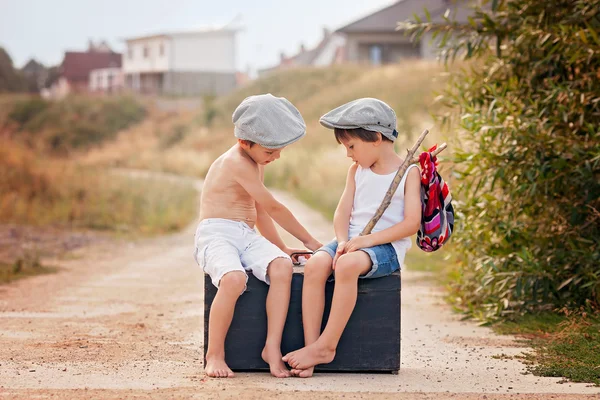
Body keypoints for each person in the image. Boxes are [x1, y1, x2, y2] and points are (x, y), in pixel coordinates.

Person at [283, 98, 421, 377]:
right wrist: (342, 240)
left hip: (385, 248)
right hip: (354, 241)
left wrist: (365, 242)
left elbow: (411, 224)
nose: (348, 154)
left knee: (346, 266)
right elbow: (342, 213)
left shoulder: (409, 172)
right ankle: (313, 349)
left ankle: (328, 345)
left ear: (376, 138)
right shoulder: (357, 171)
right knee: (316, 264)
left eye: (351, 146)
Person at [194, 93, 322, 378]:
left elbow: (260, 212)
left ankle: (271, 347)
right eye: (270, 151)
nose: (276, 156)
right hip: (217, 233)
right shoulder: (235, 162)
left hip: (245, 233)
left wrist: (281, 247)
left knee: (282, 266)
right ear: (244, 142)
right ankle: (215, 353)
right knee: (234, 279)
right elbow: (273, 206)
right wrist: (310, 242)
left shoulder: (256, 161)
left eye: (279, 150)